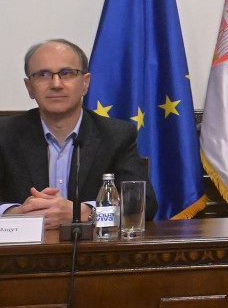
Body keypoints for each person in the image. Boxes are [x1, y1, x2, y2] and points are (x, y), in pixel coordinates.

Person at [0, 39, 157, 229]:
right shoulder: (4, 134)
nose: (56, 84)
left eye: (67, 73)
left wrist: (81, 213)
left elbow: (143, 203)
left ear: (85, 83)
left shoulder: (116, 135)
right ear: (29, 87)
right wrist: (15, 214)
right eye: (43, 75)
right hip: (24, 247)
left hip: (90, 247)